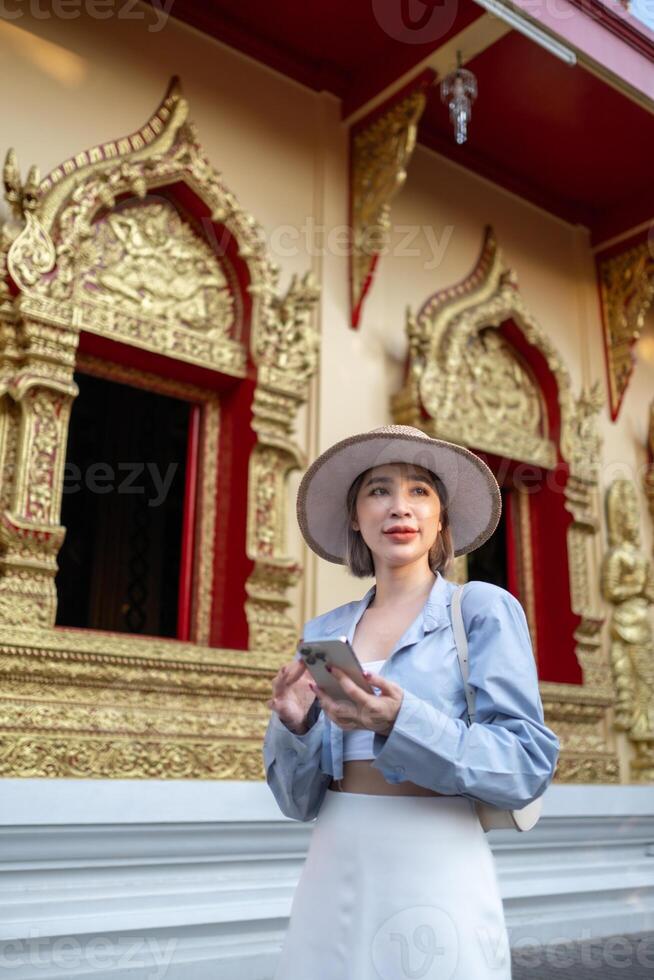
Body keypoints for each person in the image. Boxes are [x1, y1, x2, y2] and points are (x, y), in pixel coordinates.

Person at [263, 424, 560, 980]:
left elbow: (525, 765)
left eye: (420, 491)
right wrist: (295, 726)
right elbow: (299, 803)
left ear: (441, 517)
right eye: (378, 490)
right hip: (338, 851)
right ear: (355, 516)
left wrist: (401, 720)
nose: (399, 507)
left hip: (436, 849)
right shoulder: (327, 631)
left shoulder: (480, 610)